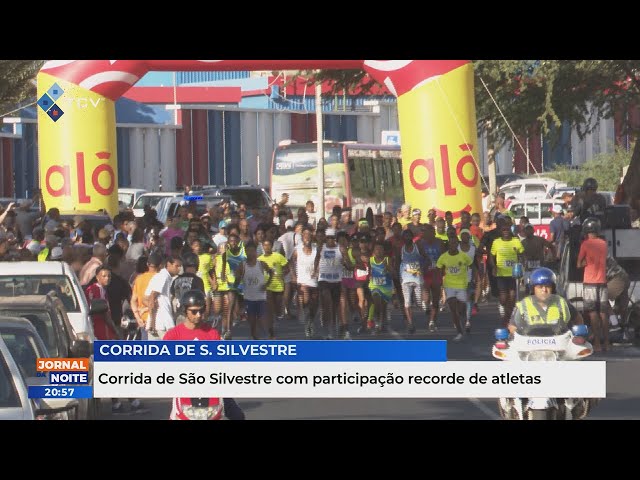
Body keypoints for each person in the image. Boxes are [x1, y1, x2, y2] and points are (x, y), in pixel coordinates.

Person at [163, 290, 245, 420]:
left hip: (211, 384)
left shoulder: (212, 334)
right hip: (184, 386)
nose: (198, 315)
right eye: (194, 311)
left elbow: (221, 360)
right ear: (185, 311)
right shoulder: (173, 336)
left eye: (201, 311)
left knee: (238, 416)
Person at [508, 267, 580, 336]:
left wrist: (577, 334)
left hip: (559, 346)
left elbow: (578, 319)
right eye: (540, 287)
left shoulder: (561, 303)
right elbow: (512, 327)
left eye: (548, 286)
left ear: (553, 288)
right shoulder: (523, 305)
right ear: (533, 289)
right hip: (530, 346)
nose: (544, 290)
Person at [577, 217, 609, 352]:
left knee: (593, 313)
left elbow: (579, 264)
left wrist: (586, 262)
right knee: (603, 313)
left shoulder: (585, 244)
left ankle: (597, 343)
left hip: (590, 281)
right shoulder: (604, 243)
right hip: (602, 281)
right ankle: (607, 343)